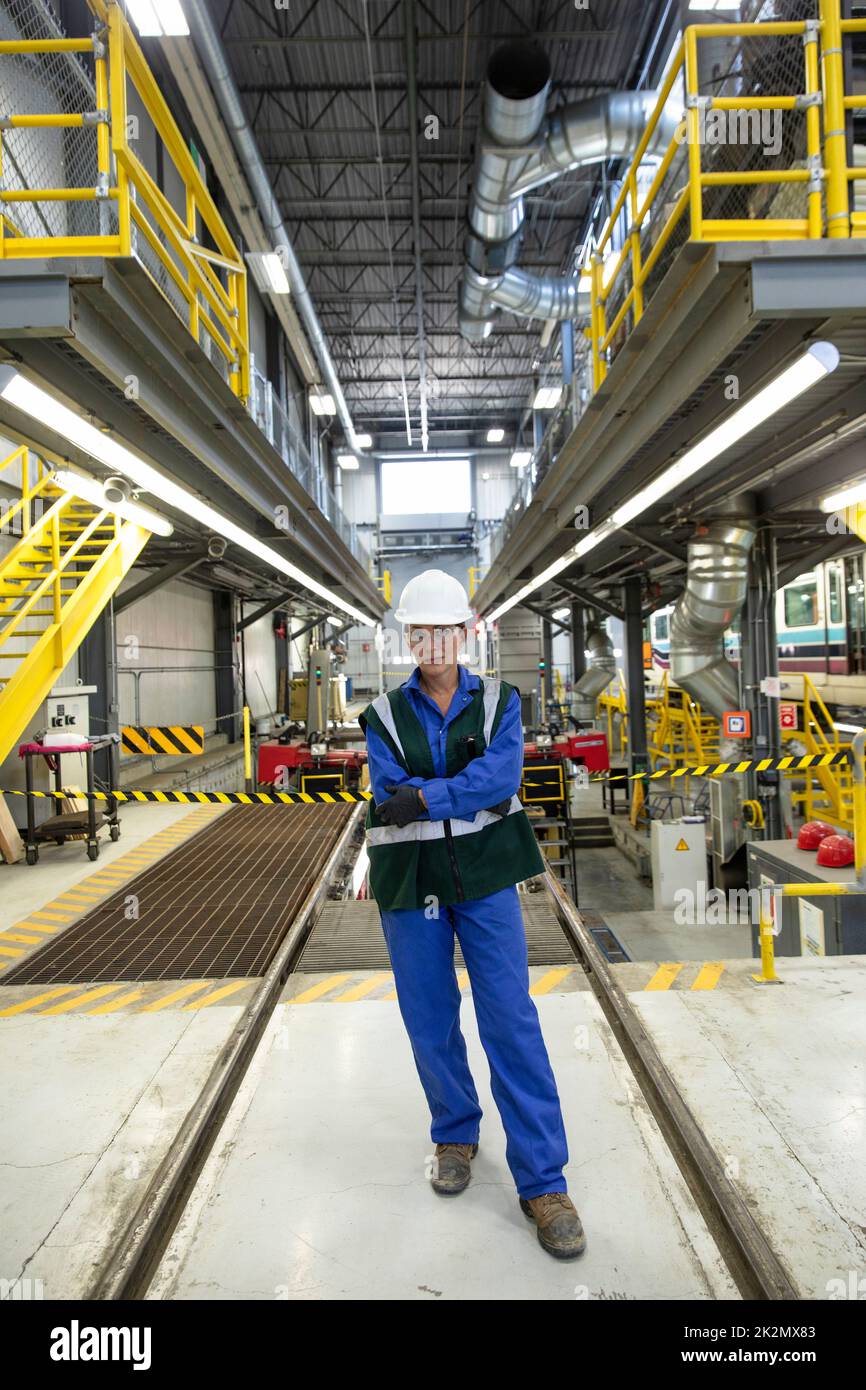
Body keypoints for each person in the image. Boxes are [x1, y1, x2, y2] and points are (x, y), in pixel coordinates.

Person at [359, 569, 586, 1260]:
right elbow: (390, 792)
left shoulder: (500, 704)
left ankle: (544, 1183)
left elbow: (500, 780)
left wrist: (429, 798)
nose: (434, 643)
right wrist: (457, 793)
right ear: (408, 638)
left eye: (446, 630)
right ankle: (453, 1134)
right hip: (412, 884)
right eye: (421, 631)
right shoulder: (382, 718)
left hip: (487, 879)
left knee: (510, 1020)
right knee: (430, 1020)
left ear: (465, 633)